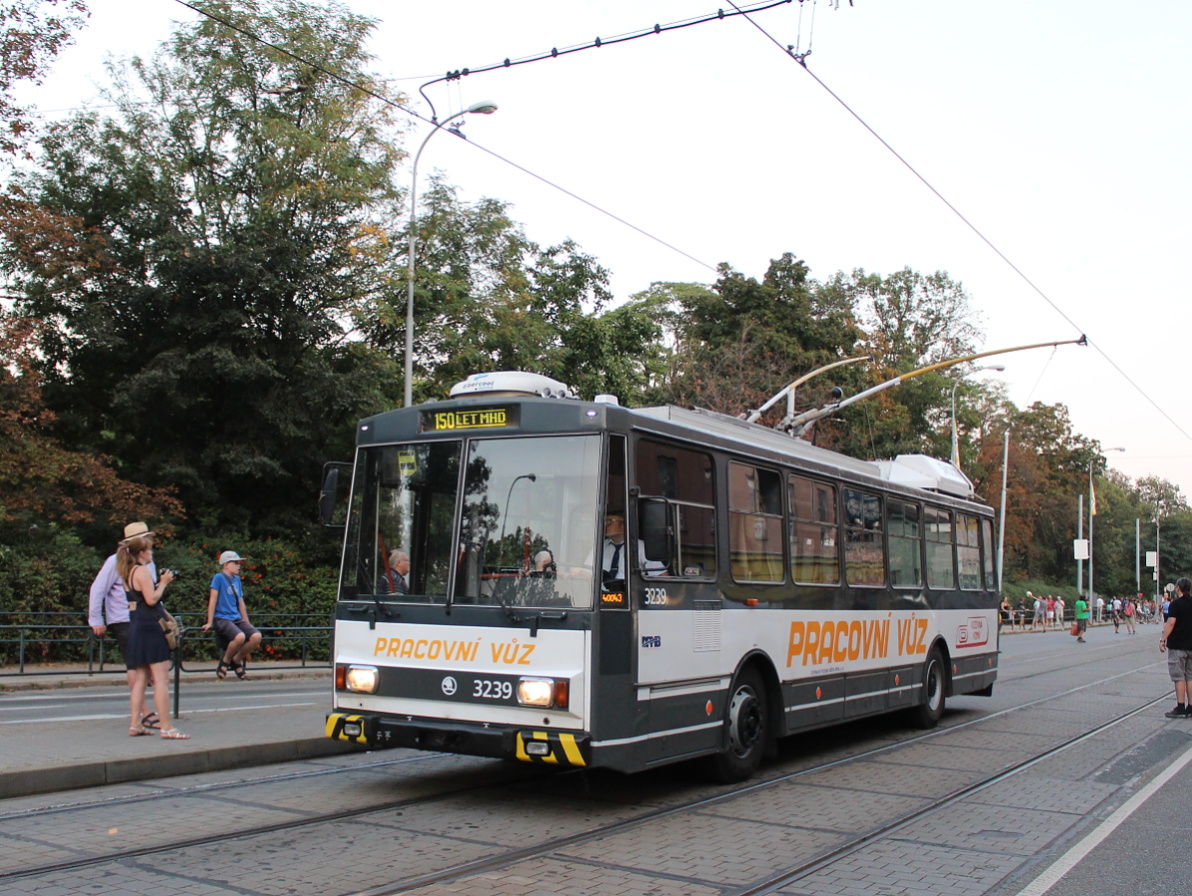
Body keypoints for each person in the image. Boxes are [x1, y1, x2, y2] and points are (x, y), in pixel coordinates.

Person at [89, 521, 158, 729]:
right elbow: (98, 589)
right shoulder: (115, 561)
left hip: (145, 618)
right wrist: (96, 619)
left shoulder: (148, 562)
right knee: (136, 666)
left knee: (148, 665)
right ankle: (143, 712)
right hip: (123, 619)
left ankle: (141, 714)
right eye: (146, 538)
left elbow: (151, 593)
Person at [119, 531, 187, 739]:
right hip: (150, 627)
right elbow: (151, 599)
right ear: (141, 553)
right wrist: (164, 582)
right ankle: (167, 727)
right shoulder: (141, 571)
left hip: (136, 625)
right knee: (160, 679)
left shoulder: (127, 572)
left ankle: (135, 724)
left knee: (140, 678)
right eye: (149, 550)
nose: (151, 553)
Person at [203, 551, 262, 680]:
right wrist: (209, 621)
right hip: (222, 617)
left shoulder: (237, 580)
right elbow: (212, 600)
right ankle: (225, 661)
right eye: (235, 562)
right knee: (239, 637)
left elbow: (241, 602)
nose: (239, 565)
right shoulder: (218, 578)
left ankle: (237, 659)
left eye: (239, 562)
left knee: (256, 636)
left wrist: (247, 623)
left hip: (235, 617)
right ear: (226, 565)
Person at [1159, 577, 1192, 718]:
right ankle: (1191, 707)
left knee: (1179, 677)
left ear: (1178, 588)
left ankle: (1180, 707)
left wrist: (1163, 639)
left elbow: (1171, 623)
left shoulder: (1175, 604)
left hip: (1178, 645)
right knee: (1190, 676)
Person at [601, 512, 665, 579]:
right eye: (605, 522)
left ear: (624, 525)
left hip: (628, 585)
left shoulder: (641, 546)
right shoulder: (600, 547)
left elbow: (661, 576)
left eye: (609, 521)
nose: (605, 525)